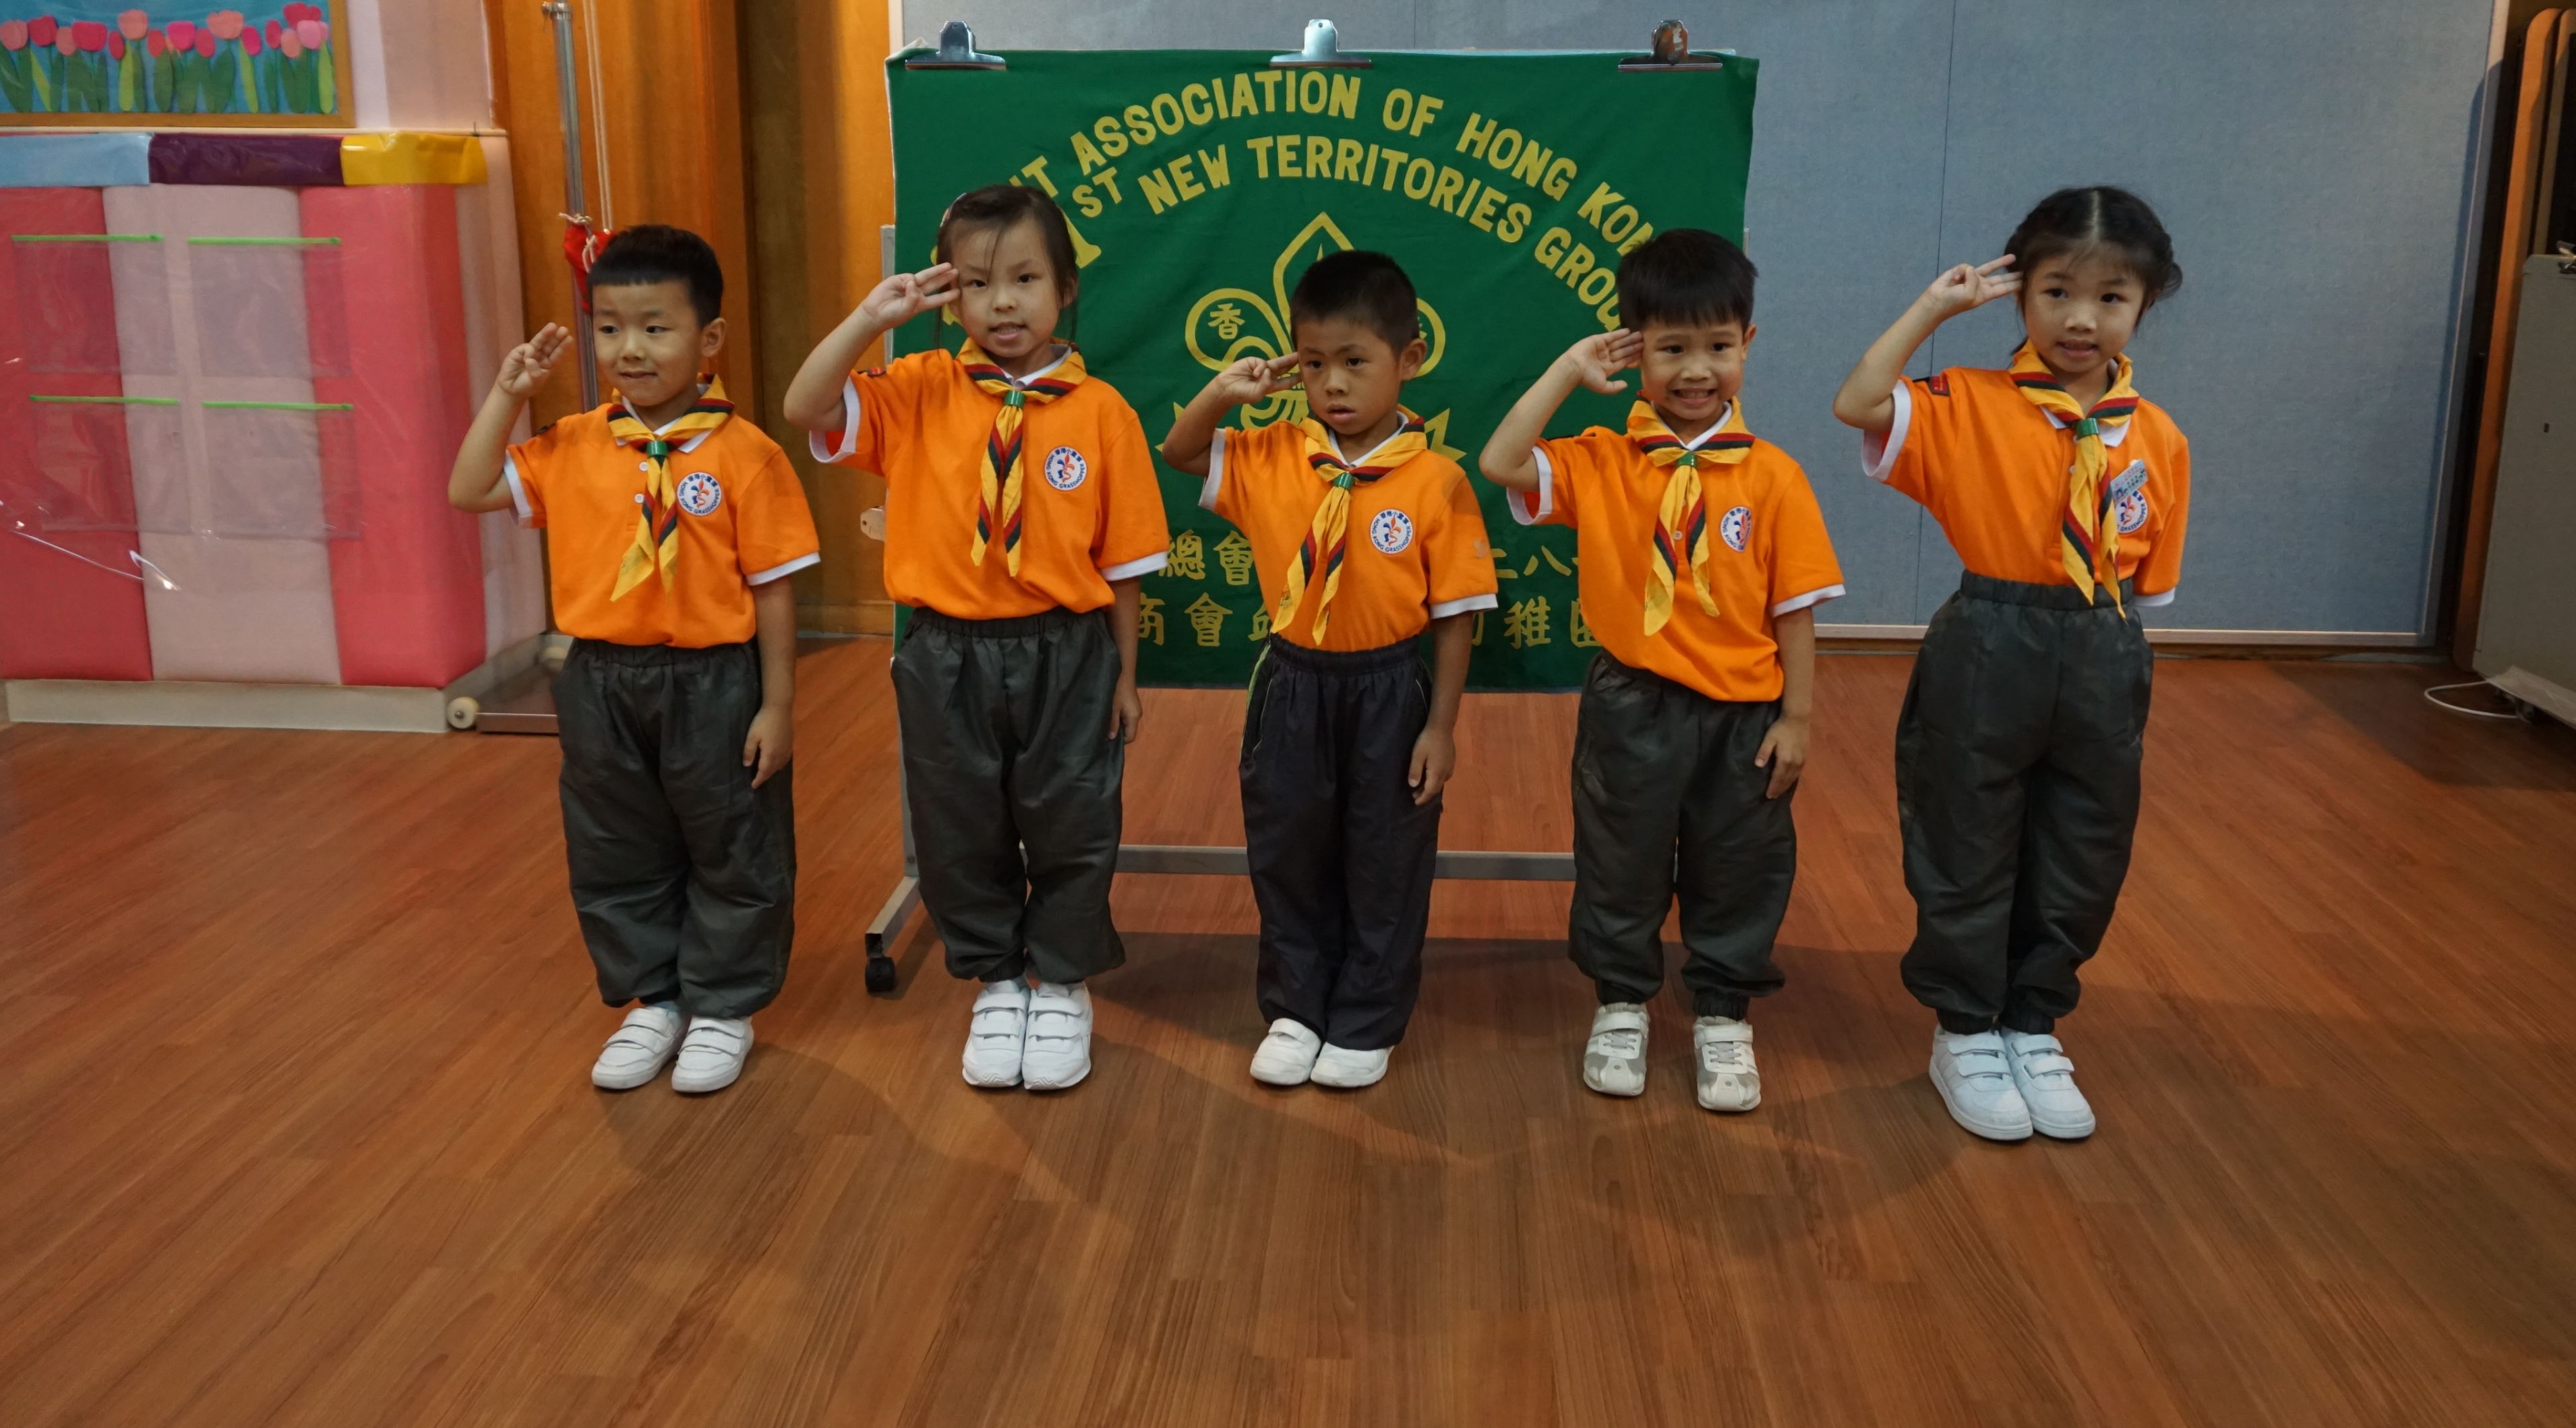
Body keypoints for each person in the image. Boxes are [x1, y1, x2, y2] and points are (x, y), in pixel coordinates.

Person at [782, 184, 1167, 1092]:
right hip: (945, 652)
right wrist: (871, 320)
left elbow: (1123, 567)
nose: (1002, 304)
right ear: (949, 297)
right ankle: (996, 981)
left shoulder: (1103, 413)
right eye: (979, 283)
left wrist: (1125, 675)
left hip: (1067, 650)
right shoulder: (917, 389)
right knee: (959, 823)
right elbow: (806, 406)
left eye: (1025, 279)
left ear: (1065, 288)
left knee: (1072, 819)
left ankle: (1061, 982)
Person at [1832, 185, 2188, 1143]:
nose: (2081, 319)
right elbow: (1857, 402)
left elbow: (2149, 589)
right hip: (1991, 638)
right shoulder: (1968, 403)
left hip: (2104, 640)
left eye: (2111, 297)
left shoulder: (2157, 437)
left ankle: (2033, 1022)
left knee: (2085, 841)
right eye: (2057, 291)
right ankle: (1964, 1029)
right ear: (2021, 294)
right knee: (1966, 832)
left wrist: (2111, 663)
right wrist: (1932, 310)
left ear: (2145, 304)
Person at [447, 224, 818, 1096]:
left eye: (656, 327)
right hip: (601, 680)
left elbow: (774, 592)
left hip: (714, 681)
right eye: (610, 328)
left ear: (708, 338)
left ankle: (724, 1004)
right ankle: (656, 998)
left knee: (732, 841)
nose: (631, 349)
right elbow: (468, 489)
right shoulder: (574, 443)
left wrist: (778, 705)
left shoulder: (747, 455)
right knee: (616, 843)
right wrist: (506, 395)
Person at [1480, 229, 1843, 1113]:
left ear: (1747, 344)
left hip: (1745, 714)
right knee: (1621, 858)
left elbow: (1795, 608)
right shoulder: (1602, 461)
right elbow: (1500, 462)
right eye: (1672, 348)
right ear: (1634, 348)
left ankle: (1723, 1014)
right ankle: (1621, 1003)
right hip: (1631, 706)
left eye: (1718, 346)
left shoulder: (1774, 477)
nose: (1696, 371)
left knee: (1741, 864)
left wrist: (1798, 718)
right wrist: (1568, 372)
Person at [1159, 250, 1497, 1090]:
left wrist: (1441, 728)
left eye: (1354, 362)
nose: (1333, 385)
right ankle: (1296, 1008)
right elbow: (1179, 451)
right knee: (1289, 849)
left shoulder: (1437, 481)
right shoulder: (1274, 454)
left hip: (1390, 689)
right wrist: (1224, 393)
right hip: (1292, 686)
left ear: (1408, 359)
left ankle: (1368, 1017)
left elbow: (1456, 617)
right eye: (1313, 365)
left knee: (1385, 857)